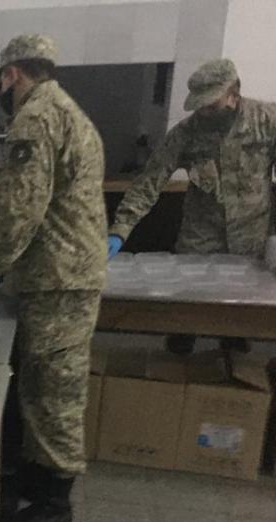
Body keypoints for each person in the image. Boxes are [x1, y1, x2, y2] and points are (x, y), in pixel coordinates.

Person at [0, 35, 108, 522]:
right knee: (42, 383)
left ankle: (54, 504)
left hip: (59, 278)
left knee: (55, 388)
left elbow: (21, 207)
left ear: (12, 74)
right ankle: (38, 477)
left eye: (2, 80)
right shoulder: (69, 109)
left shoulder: (36, 116)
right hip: (62, 273)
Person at [108, 59, 276, 354]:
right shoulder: (186, 133)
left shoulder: (266, 121)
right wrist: (120, 231)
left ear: (232, 92)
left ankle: (227, 386)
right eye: (199, 105)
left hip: (250, 238)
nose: (203, 111)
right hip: (200, 240)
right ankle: (172, 381)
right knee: (184, 323)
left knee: (238, 328)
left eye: (211, 104)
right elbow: (149, 182)